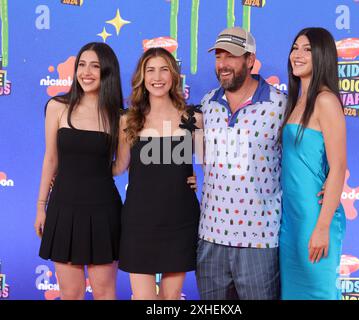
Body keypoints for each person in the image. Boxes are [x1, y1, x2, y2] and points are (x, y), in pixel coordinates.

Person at [196, 26, 287, 300]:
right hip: (210, 237)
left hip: (259, 240)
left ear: (250, 60)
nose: (222, 64)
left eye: (231, 56)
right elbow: (203, 159)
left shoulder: (279, 104)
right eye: (218, 56)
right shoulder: (208, 104)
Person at [34, 42, 123, 300]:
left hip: (104, 213)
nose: (86, 72)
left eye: (95, 66)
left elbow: (122, 164)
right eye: (82, 65)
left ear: (108, 71)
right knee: (70, 294)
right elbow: (50, 159)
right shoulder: (57, 107)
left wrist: (185, 174)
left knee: (104, 293)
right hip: (64, 210)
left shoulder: (120, 116)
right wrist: (41, 206)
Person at [113, 47, 201, 300]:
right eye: (150, 70)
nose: (157, 76)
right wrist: (77, 169)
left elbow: (210, 163)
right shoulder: (128, 120)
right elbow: (119, 166)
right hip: (140, 222)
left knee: (170, 301)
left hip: (180, 220)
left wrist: (197, 180)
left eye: (164, 69)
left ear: (174, 75)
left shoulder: (193, 118)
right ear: (142, 76)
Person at [279, 27, 347, 300]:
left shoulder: (326, 100)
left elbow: (339, 166)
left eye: (307, 49)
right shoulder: (296, 101)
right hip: (290, 220)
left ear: (322, 55)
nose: (298, 54)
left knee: (318, 293)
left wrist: (321, 227)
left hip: (315, 218)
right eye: (295, 47)